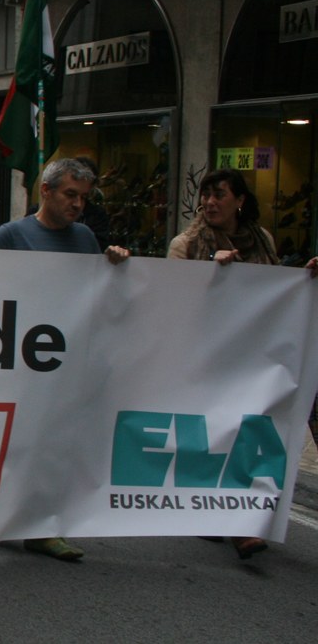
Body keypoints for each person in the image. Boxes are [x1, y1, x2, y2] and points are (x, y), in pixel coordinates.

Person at [0, 157, 129, 562]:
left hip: (63, 363)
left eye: (83, 198)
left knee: (51, 446)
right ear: (44, 192)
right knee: (12, 445)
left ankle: (41, 527)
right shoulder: (13, 234)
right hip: (18, 361)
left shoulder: (85, 238)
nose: (78, 205)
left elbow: (96, 294)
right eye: (70, 195)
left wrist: (114, 263)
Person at [165, 168, 283, 560]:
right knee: (220, 435)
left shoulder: (262, 241)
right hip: (206, 358)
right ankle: (236, 525)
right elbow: (172, 301)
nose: (210, 202)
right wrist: (208, 274)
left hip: (252, 355)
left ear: (240, 201)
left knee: (246, 434)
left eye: (220, 195)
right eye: (206, 195)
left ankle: (233, 516)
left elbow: (276, 292)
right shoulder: (187, 244)